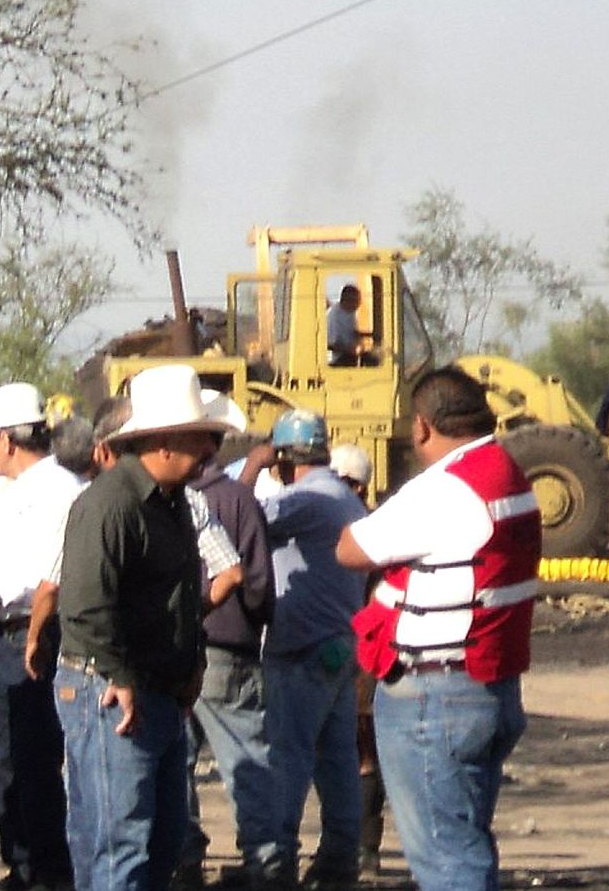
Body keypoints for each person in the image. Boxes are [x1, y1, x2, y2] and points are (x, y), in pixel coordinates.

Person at [335, 367, 541, 891]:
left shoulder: (446, 487)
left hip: (433, 695)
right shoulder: (509, 474)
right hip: (488, 684)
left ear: (422, 426)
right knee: (466, 842)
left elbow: (351, 549)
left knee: (448, 861)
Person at [55, 364, 234, 891]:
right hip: (110, 688)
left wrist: (192, 660)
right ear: (165, 441)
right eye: (202, 435)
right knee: (121, 842)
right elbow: (85, 606)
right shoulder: (110, 504)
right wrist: (120, 677)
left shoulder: (173, 502)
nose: (210, 447)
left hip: (153, 689)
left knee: (159, 839)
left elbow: (174, 598)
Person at [0, 384, 86, 891]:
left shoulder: (60, 490)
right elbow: (2, 562)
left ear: (6, 439)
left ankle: (48, 871)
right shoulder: (10, 492)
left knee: (34, 761)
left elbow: (54, 573)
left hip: (32, 635)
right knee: (5, 759)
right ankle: (21, 863)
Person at [238, 411, 365, 888]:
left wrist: (251, 467)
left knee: (287, 758)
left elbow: (240, 521)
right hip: (338, 645)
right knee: (336, 760)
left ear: (284, 457)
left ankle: (278, 863)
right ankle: (339, 862)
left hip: (303, 649)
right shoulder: (343, 497)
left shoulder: (305, 499)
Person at [180, 400, 281, 890]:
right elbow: (259, 581)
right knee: (245, 758)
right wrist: (255, 621)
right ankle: (267, 864)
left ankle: (184, 861)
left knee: (176, 760)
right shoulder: (240, 501)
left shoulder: (164, 498)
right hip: (230, 648)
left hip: (178, 651)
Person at [328, 443, 385, 877]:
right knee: (338, 747)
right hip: (339, 645)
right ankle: (347, 848)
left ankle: (364, 849)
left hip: (363, 649)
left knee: (362, 746)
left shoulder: (372, 529)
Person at [326, 284, 364, 367]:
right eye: (356, 301)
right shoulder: (333, 315)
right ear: (347, 300)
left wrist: (359, 337)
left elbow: (353, 332)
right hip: (335, 361)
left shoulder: (351, 313)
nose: (358, 304)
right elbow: (330, 344)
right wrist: (350, 350)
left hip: (348, 356)